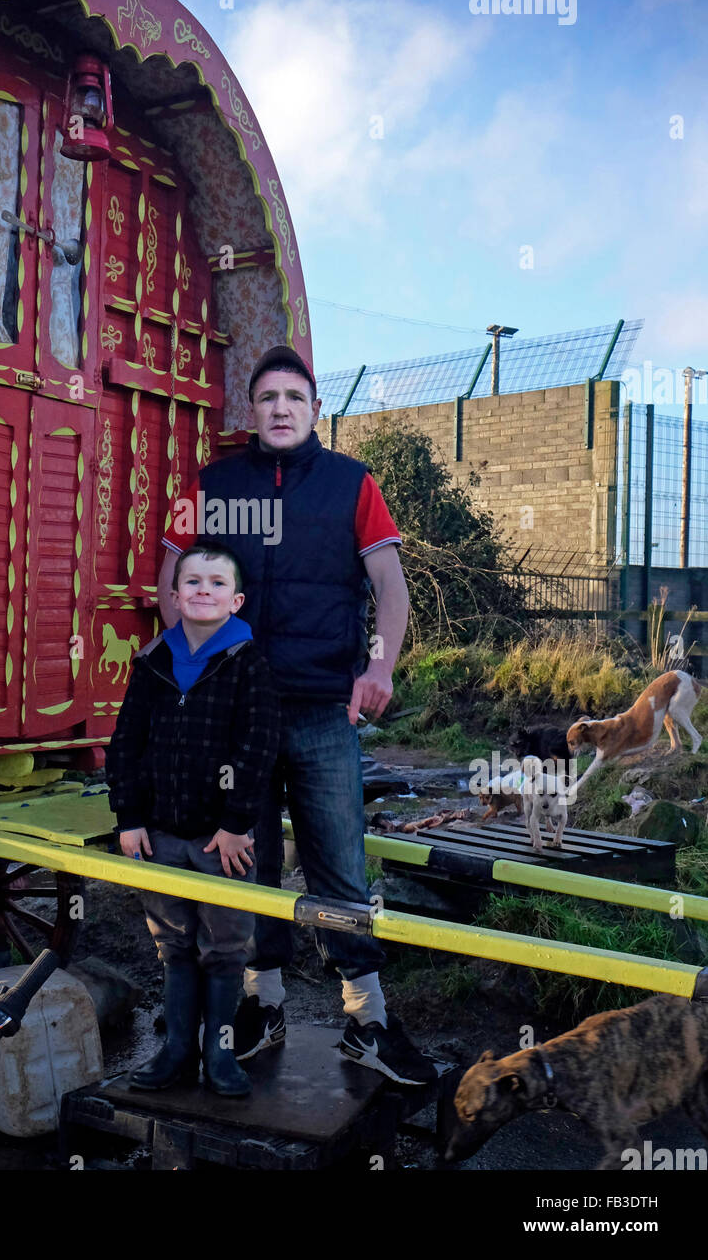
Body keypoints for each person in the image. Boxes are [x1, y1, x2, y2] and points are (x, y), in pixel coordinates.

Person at [158, 345, 435, 1085]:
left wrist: (378, 666)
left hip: (321, 710)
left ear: (314, 410)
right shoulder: (213, 484)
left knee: (339, 862)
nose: (280, 407)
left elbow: (389, 584)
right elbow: (170, 576)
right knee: (244, 862)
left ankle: (366, 1017)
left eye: (294, 396)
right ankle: (262, 1002)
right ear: (251, 412)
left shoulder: (352, 484)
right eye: (267, 397)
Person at [106, 543, 279, 1097]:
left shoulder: (248, 663)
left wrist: (235, 824)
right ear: (174, 596)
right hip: (158, 835)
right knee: (173, 945)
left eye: (217, 583)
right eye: (193, 582)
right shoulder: (152, 662)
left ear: (237, 599)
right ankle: (176, 1050)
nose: (204, 590)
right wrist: (129, 817)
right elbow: (125, 744)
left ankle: (220, 1056)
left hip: (220, 842)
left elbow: (257, 749)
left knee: (224, 947)